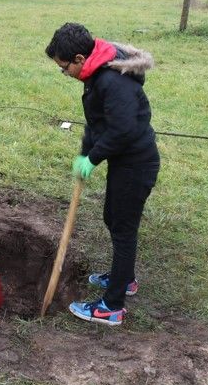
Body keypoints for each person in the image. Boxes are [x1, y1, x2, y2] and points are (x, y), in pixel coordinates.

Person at [45, 22, 160, 326]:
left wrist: (93, 158)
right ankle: (125, 278)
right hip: (125, 161)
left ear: (80, 58)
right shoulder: (96, 71)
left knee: (123, 228)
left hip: (136, 163)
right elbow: (97, 123)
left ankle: (112, 307)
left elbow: (121, 130)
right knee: (113, 217)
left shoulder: (111, 80)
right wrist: (85, 152)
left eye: (64, 67)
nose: (64, 73)